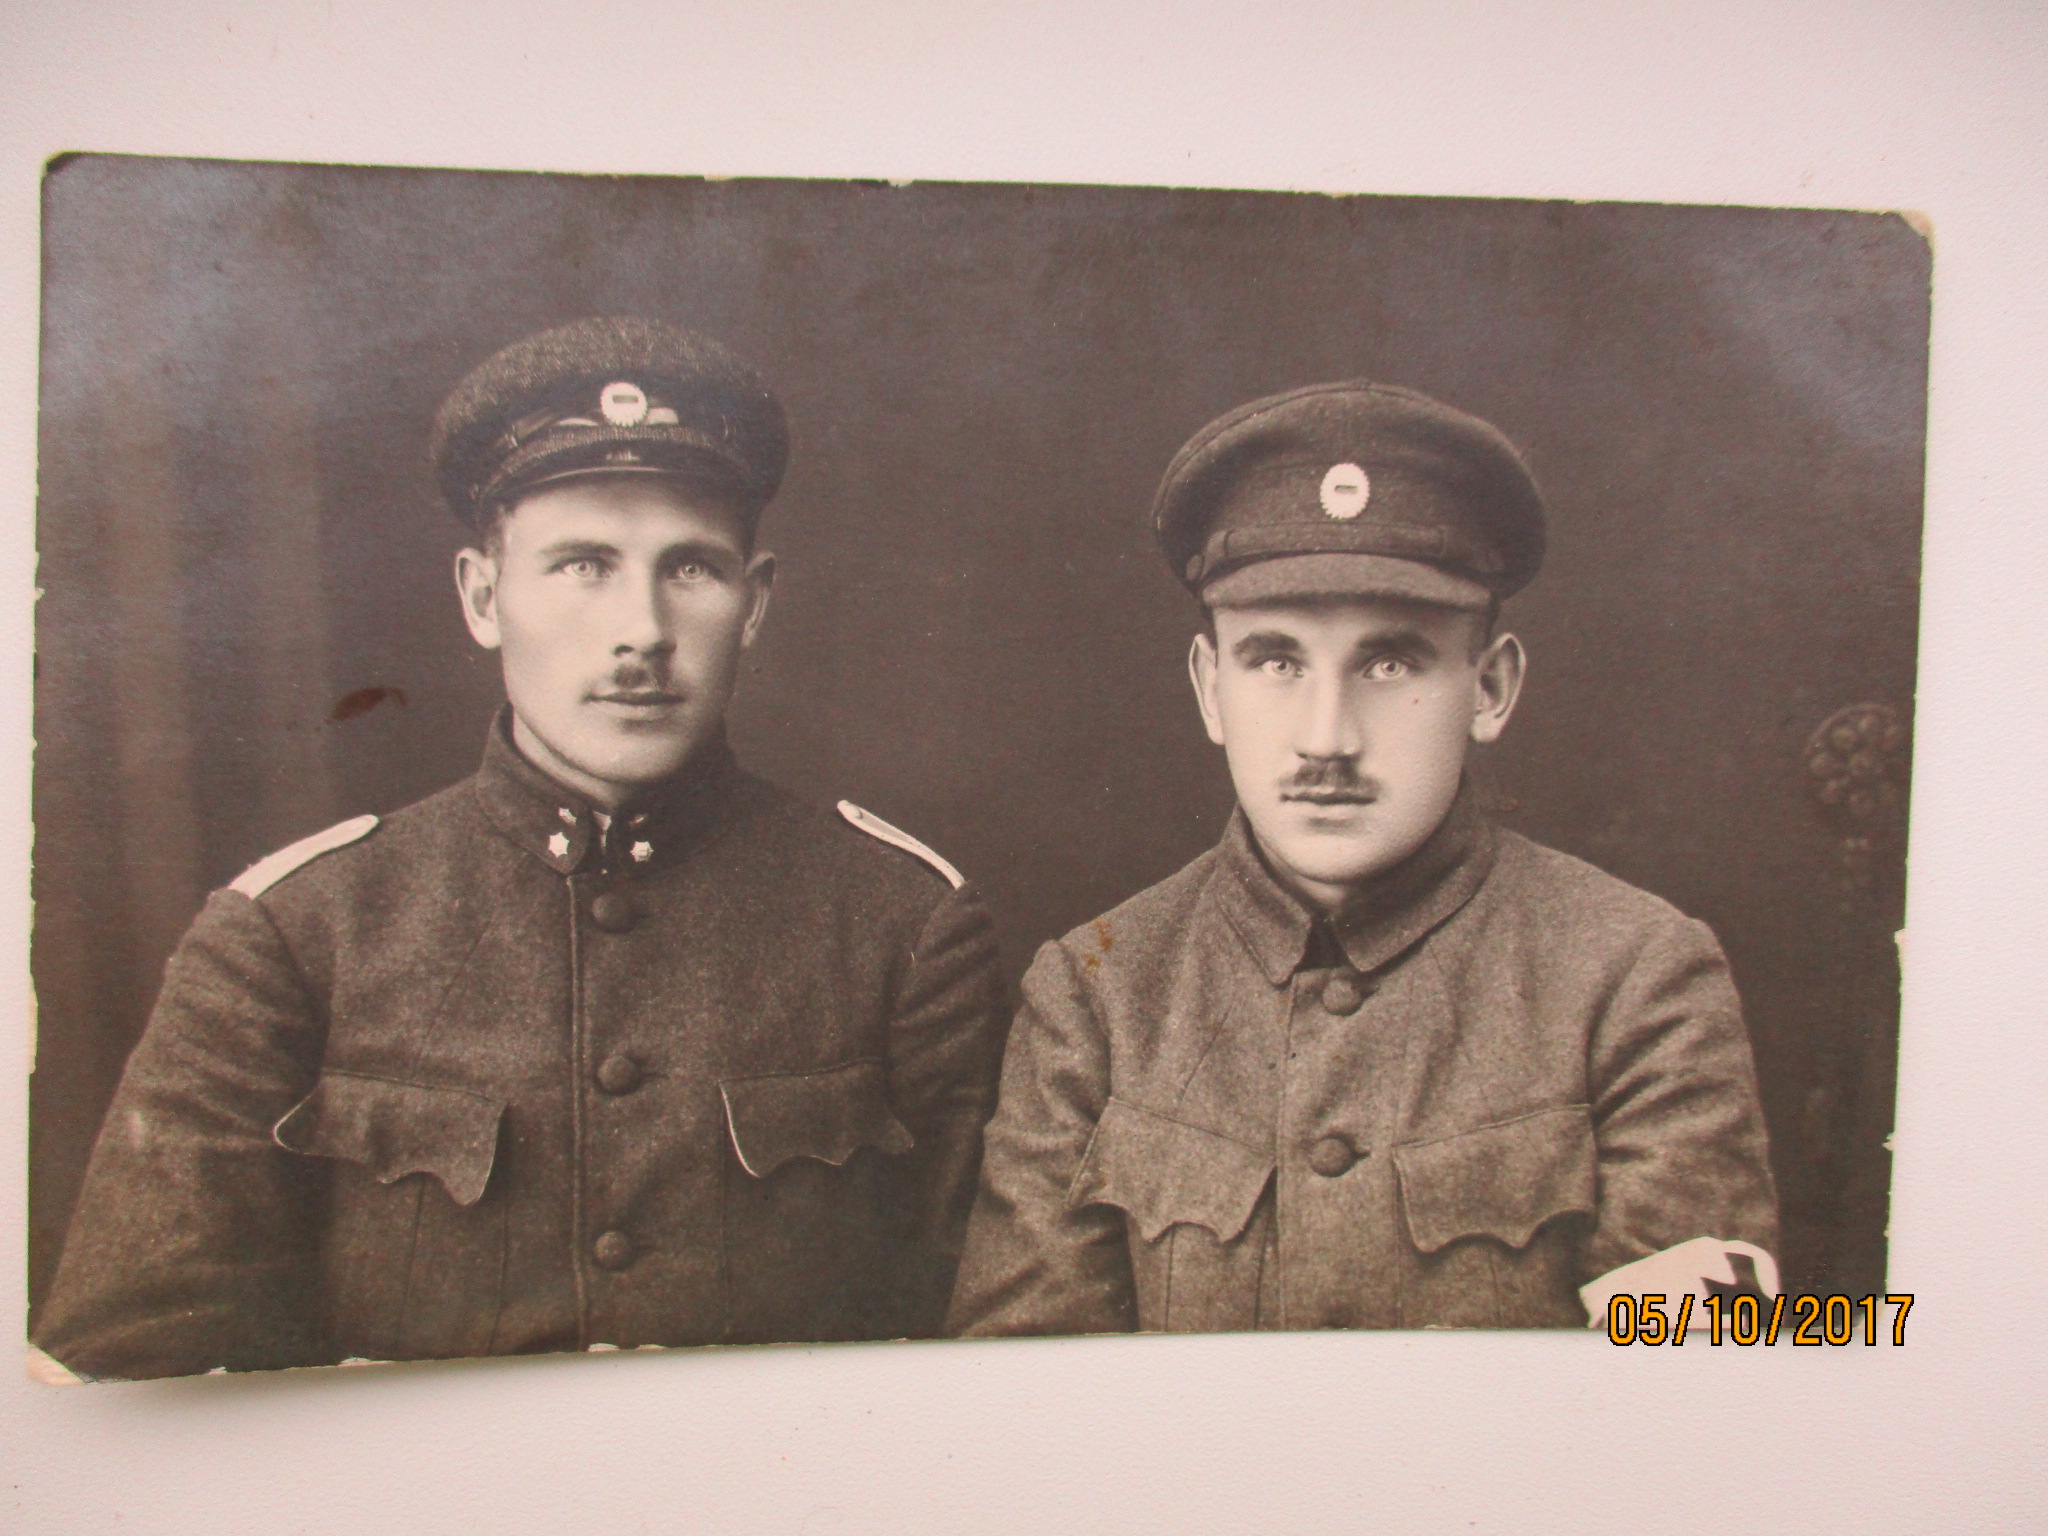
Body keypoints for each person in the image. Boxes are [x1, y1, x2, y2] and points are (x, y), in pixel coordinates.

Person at [35, 317, 1006, 1379]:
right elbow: (128, 1369)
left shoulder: (902, 925)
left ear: (755, 603)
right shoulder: (294, 934)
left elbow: (995, 1363)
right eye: (583, 565)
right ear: (483, 597)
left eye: (690, 568)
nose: (641, 629)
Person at [946, 381, 1779, 1336]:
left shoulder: (1636, 978)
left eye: (1391, 664)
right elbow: (1029, 1396)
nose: (1327, 738)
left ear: (1491, 688)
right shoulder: (1097, 993)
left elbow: (1696, 1387)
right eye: (1277, 662)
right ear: (1211, 689)